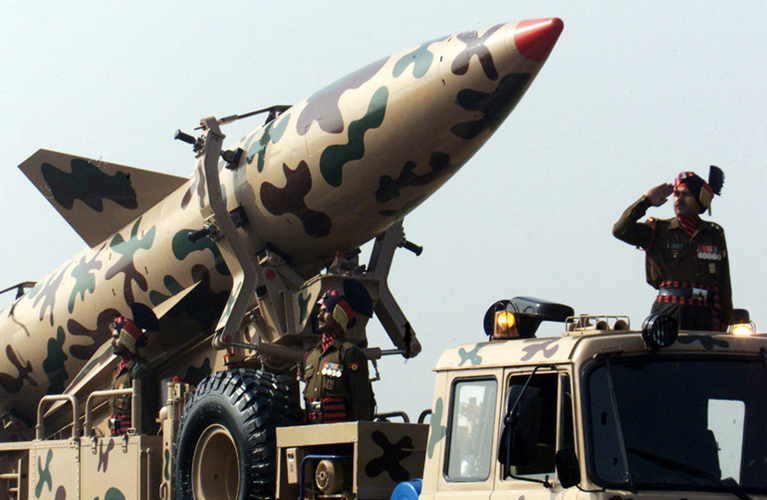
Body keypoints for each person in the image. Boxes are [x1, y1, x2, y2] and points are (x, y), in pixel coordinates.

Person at [612, 166, 731, 331]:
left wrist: (725, 321)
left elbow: (723, 283)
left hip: (705, 313)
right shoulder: (658, 230)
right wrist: (646, 201)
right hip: (669, 311)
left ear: (700, 200)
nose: (679, 199)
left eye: (686, 194)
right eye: (676, 194)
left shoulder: (713, 234)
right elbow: (620, 230)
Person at [303, 289, 376, 423]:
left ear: (338, 315)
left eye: (325, 311)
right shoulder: (311, 355)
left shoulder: (349, 353)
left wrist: (359, 430)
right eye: (319, 312)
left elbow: (361, 399)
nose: (319, 316)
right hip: (313, 430)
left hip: (340, 430)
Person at [109, 314, 159, 435]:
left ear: (127, 338)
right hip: (118, 438)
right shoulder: (118, 371)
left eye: (116, 337)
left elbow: (146, 412)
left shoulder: (139, 371)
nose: (112, 342)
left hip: (133, 439)